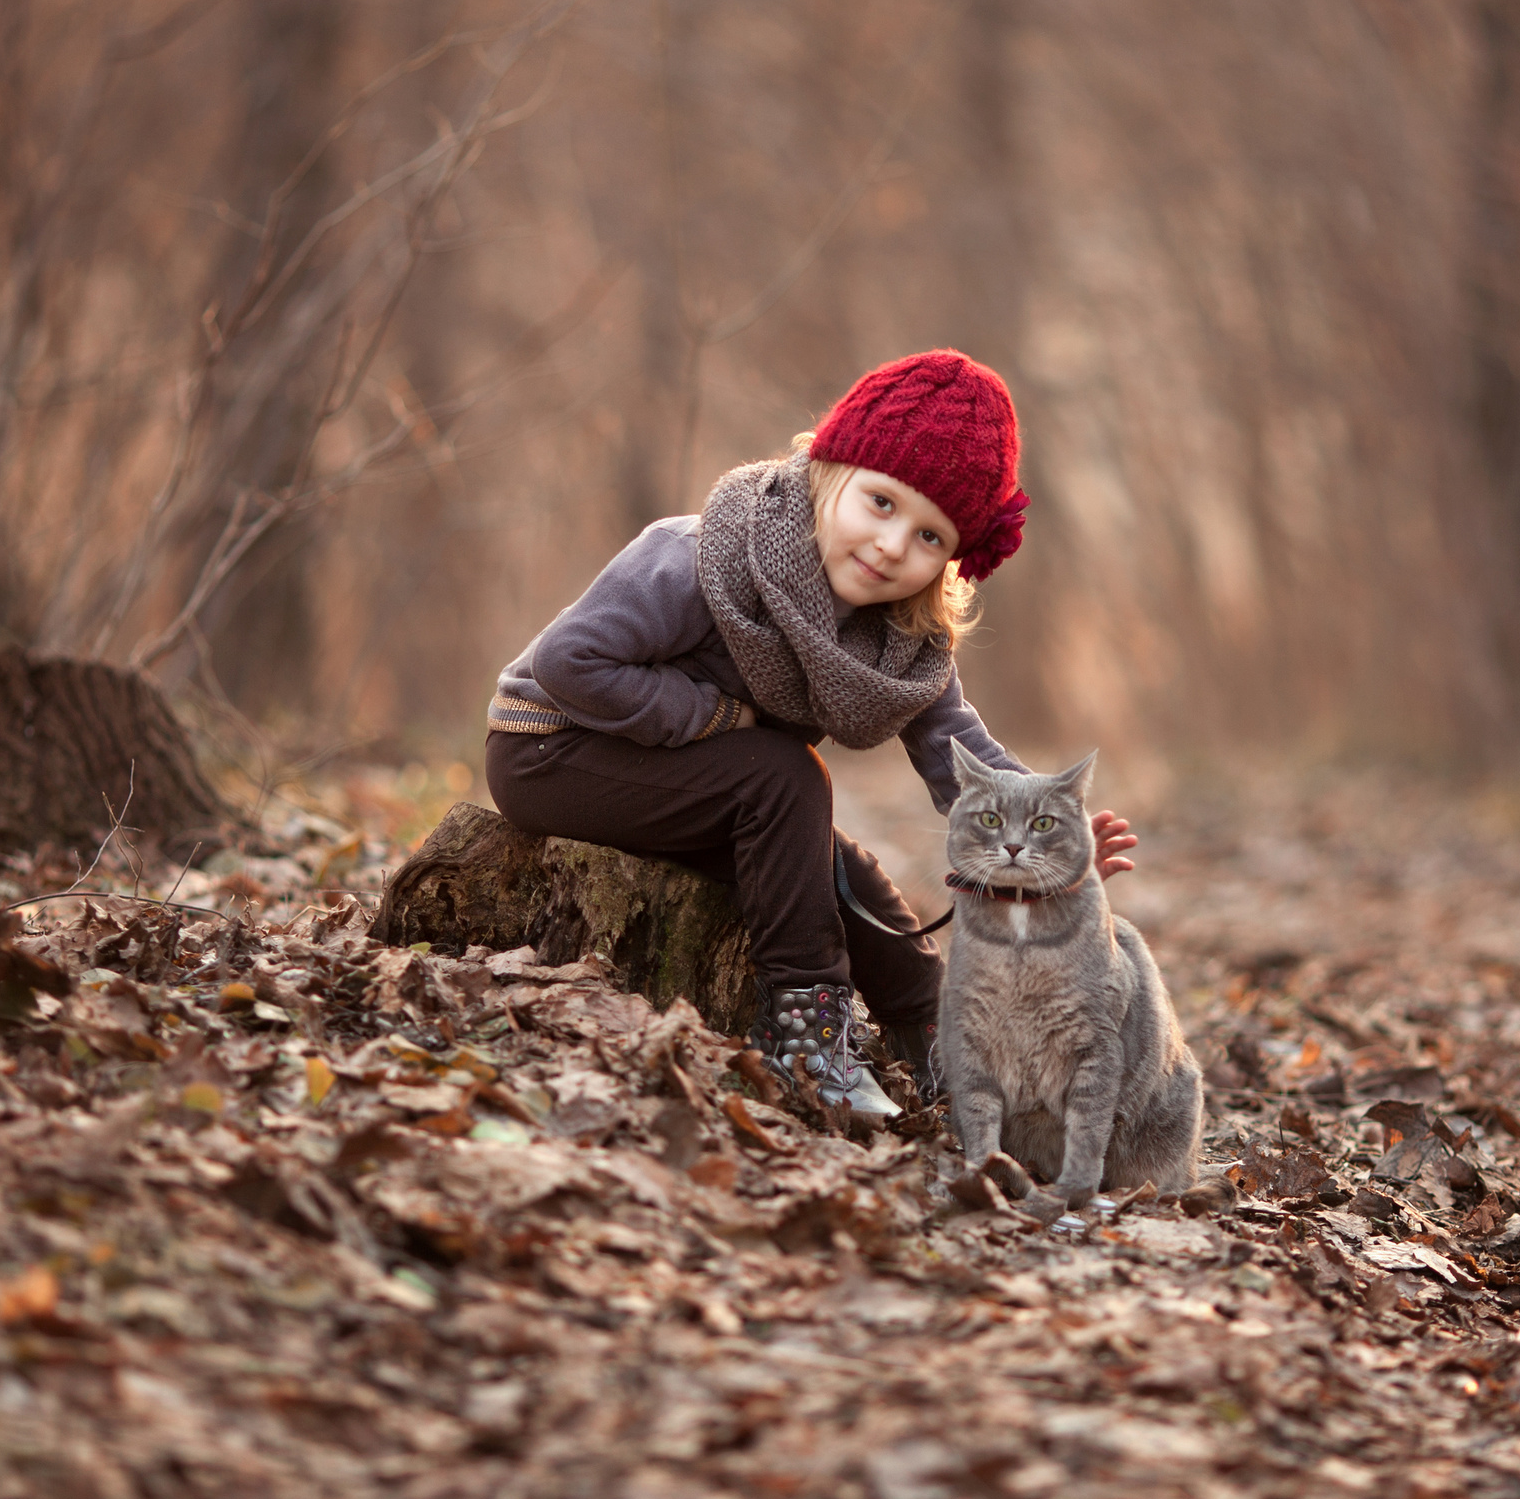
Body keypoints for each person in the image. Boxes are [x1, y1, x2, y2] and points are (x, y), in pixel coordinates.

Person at [481, 349, 1134, 1119]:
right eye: (882, 504)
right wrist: (717, 717)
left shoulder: (898, 638)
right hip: (553, 750)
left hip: (685, 780)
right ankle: (804, 1031)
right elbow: (570, 662)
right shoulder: (703, 556)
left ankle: (937, 1040)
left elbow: (958, 749)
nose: (894, 546)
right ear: (830, 467)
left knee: (837, 871)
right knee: (785, 777)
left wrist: (1046, 840)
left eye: (931, 538)